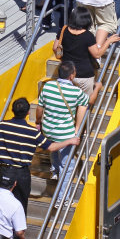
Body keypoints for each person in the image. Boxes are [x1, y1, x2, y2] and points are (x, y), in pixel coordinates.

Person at [0, 97, 80, 214]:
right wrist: (69, 141)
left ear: (12, 110)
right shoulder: (33, 133)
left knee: (4, 202)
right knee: (20, 204)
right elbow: (51, 147)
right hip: (21, 172)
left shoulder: (1, 126)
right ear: (28, 112)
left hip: (4, 170)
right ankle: (18, 230)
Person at [36, 60, 88, 197]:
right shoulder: (77, 92)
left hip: (47, 129)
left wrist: (38, 122)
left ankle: (54, 170)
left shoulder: (47, 87)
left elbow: (39, 108)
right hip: (64, 134)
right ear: (71, 76)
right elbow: (83, 109)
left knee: (53, 145)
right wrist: (77, 129)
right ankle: (61, 198)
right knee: (68, 167)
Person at [52, 6, 120, 98]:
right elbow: (97, 54)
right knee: (84, 103)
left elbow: (55, 48)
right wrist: (108, 41)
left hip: (67, 73)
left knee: (68, 99)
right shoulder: (88, 36)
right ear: (87, 20)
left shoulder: (63, 30)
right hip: (84, 76)